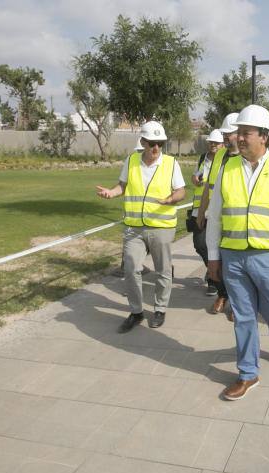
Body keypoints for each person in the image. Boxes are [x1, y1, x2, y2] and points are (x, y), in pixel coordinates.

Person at [206, 104, 269, 401]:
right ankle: (248, 373)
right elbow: (216, 215)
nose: (238, 138)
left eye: (245, 133)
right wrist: (214, 255)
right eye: (238, 132)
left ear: (263, 136)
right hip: (234, 257)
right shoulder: (228, 168)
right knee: (243, 316)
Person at [96, 121, 185, 332]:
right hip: (134, 227)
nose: (156, 148)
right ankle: (136, 312)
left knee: (163, 271)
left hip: (161, 226)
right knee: (131, 268)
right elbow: (122, 186)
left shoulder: (171, 163)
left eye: (160, 144)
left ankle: (160, 309)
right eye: (152, 143)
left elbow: (182, 191)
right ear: (143, 142)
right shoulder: (132, 161)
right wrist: (111, 192)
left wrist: (172, 199)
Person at [197, 113, 240, 316]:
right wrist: (200, 213)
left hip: (236, 219)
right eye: (224, 134)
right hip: (215, 216)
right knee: (203, 246)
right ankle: (223, 291)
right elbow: (208, 186)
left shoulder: (245, 157)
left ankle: (235, 301)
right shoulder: (220, 156)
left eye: (228, 134)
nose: (225, 138)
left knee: (233, 260)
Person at [188, 129, 224, 296]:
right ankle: (213, 271)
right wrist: (195, 179)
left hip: (217, 210)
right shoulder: (203, 158)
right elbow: (196, 176)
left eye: (216, 143)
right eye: (211, 143)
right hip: (200, 210)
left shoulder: (226, 159)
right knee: (200, 244)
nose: (213, 145)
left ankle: (214, 281)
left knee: (215, 246)